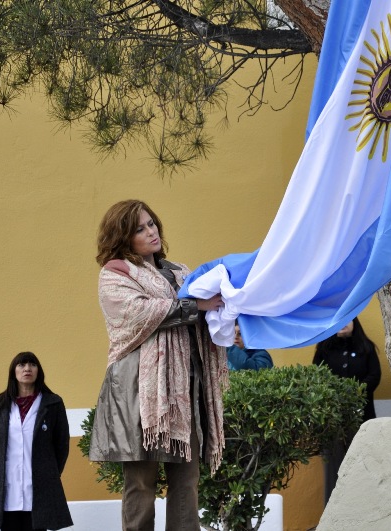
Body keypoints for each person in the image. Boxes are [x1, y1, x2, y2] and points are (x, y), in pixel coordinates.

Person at [88, 199, 228, 531]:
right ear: (123, 237)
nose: (150, 231)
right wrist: (195, 306)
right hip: (139, 395)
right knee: (140, 484)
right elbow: (138, 313)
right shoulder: (116, 273)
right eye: (139, 228)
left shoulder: (180, 272)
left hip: (183, 392)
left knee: (187, 483)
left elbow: (206, 309)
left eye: (151, 223)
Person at [0, 352, 72, 531]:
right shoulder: (0, 405)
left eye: (32, 364)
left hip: (39, 488)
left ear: (39, 371)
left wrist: (48, 472)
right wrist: (1, 472)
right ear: (13, 372)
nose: (27, 369)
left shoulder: (53, 404)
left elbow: (61, 446)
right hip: (8, 487)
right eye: (21, 365)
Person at [313, 317, 381, 504]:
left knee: (362, 463)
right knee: (333, 465)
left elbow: (374, 376)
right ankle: (332, 510)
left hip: (362, 418)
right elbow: (316, 378)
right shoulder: (324, 350)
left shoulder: (366, 348)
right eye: (339, 319)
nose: (344, 322)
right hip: (332, 420)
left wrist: (355, 393)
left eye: (348, 318)